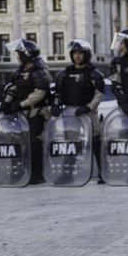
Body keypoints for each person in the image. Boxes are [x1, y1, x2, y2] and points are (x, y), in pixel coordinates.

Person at [51, 39, 105, 184]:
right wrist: (56, 105)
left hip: (88, 112)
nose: (77, 56)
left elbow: (99, 94)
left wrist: (88, 107)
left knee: (95, 141)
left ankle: (103, 173)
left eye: (80, 53)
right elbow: (58, 93)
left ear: (86, 54)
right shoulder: (65, 73)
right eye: (75, 53)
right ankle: (67, 174)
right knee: (71, 143)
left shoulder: (94, 74)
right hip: (70, 112)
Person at [0, 38, 52, 184]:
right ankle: (20, 173)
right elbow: (13, 88)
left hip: (36, 113)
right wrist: (6, 103)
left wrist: (21, 104)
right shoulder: (18, 72)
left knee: (34, 143)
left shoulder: (39, 72)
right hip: (22, 114)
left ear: (26, 54)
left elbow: (39, 93)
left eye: (19, 54)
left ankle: (37, 174)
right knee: (18, 143)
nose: (17, 57)